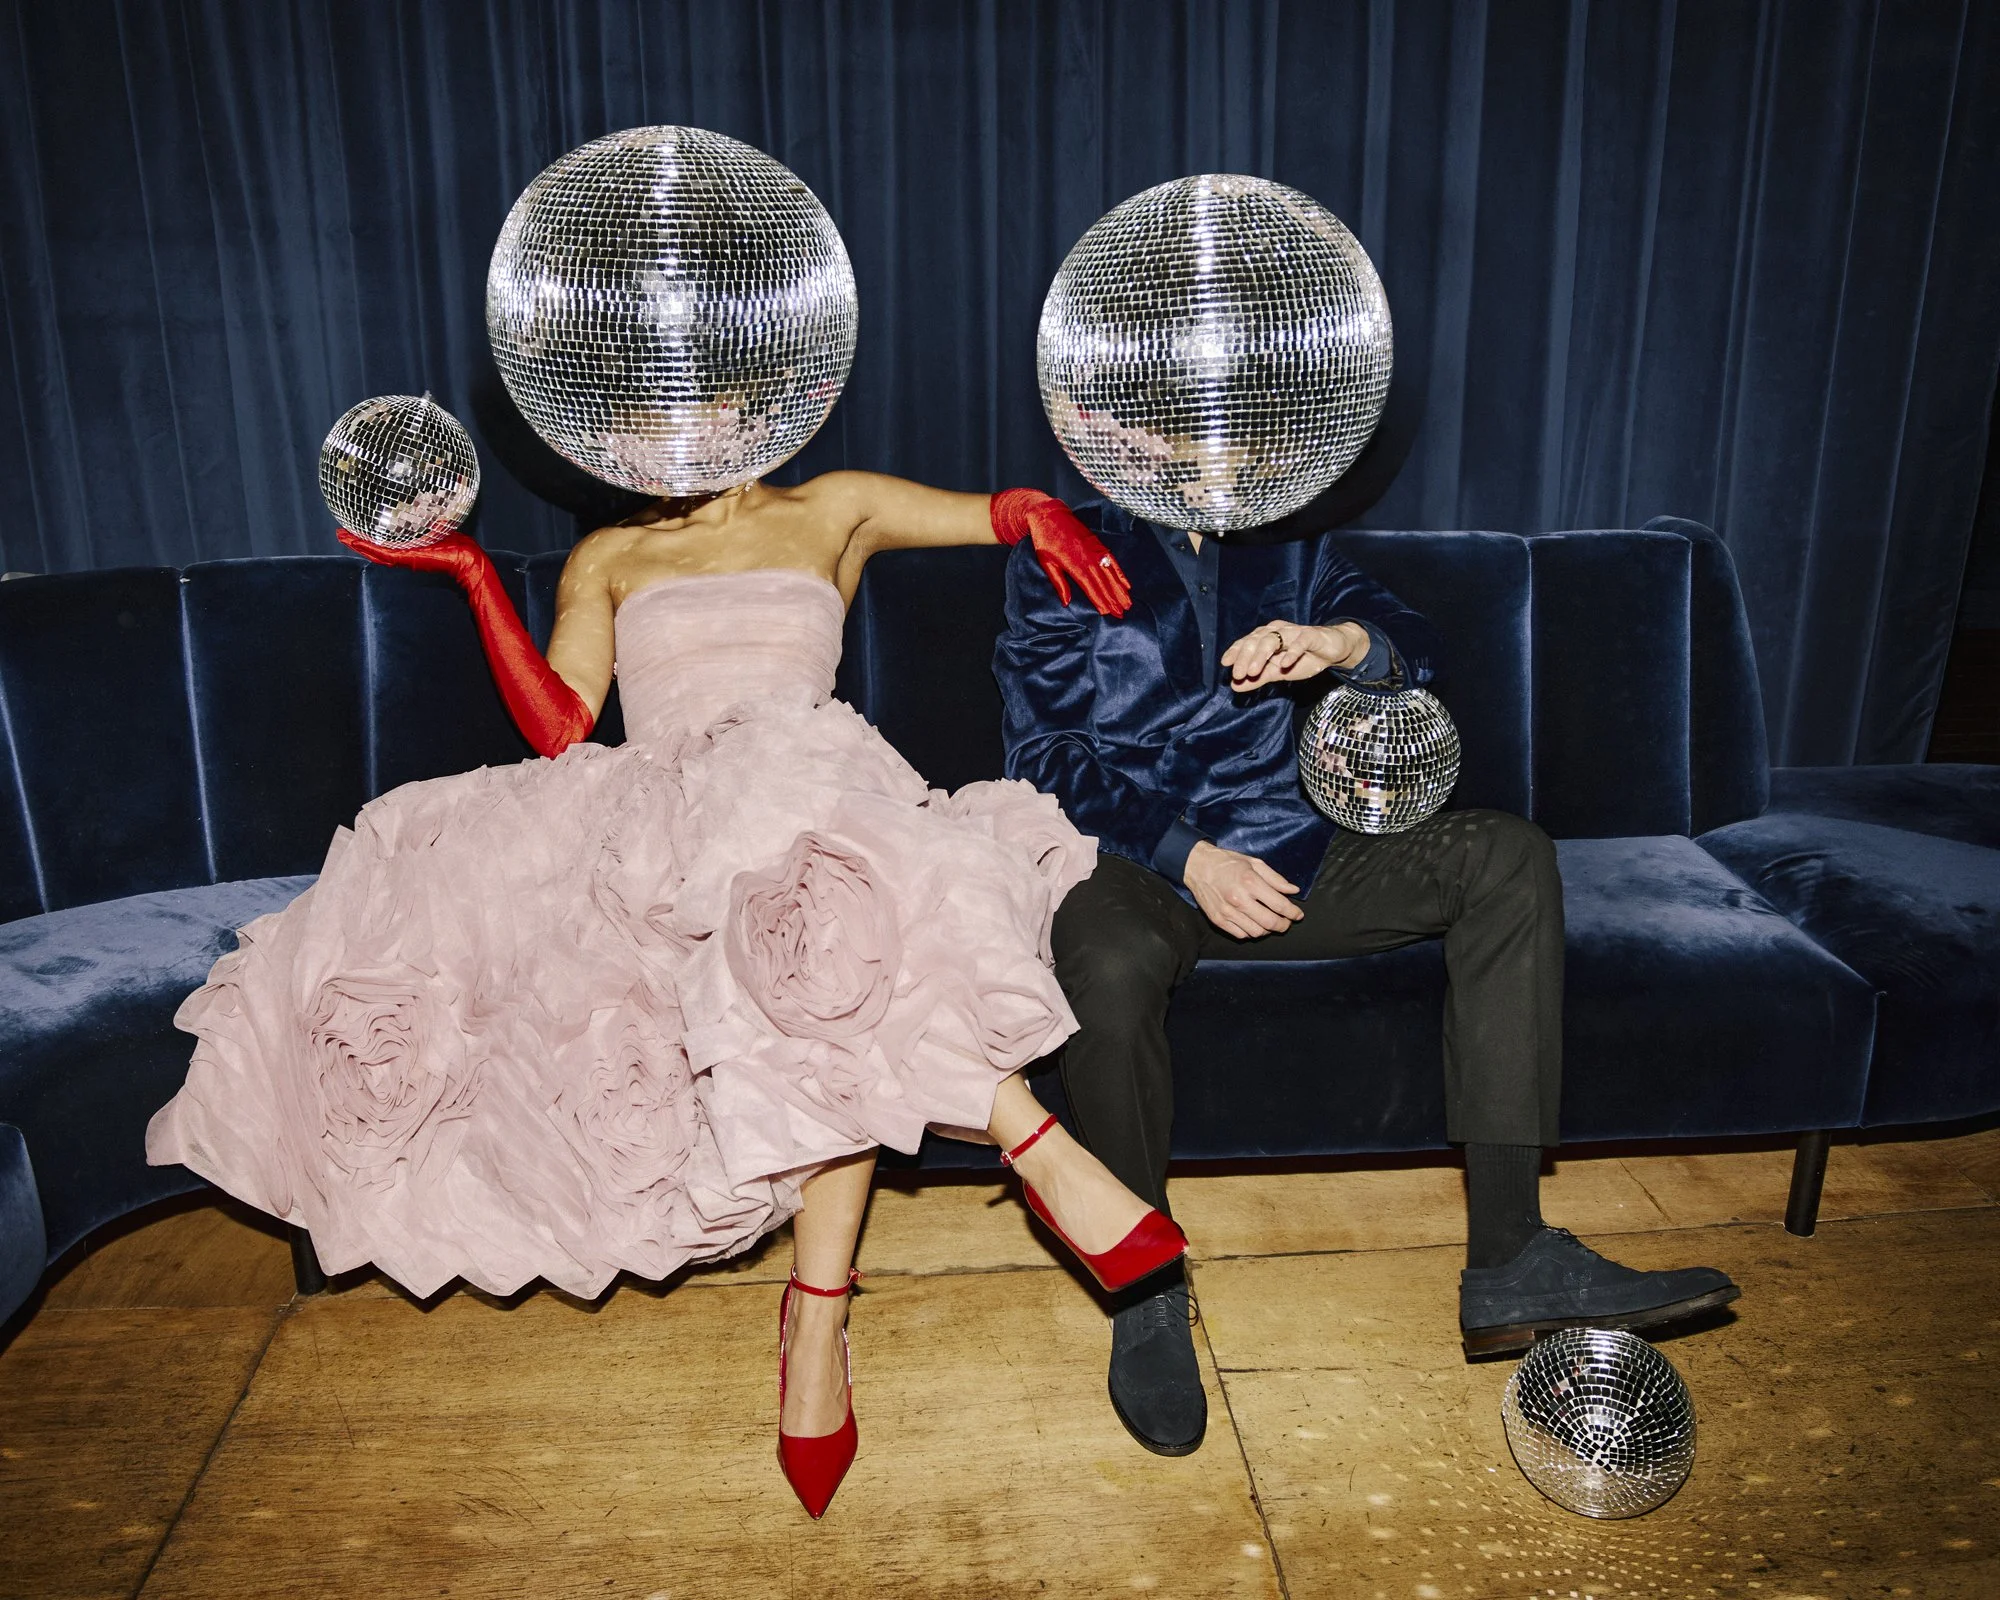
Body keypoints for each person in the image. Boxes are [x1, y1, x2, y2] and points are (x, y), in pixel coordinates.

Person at [148, 476, 1187, 1520]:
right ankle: (1027, 1143)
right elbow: (561, 725)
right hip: (672, 824)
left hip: (817, 789)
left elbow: (994, 513)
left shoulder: (832, 505)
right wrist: (473, 575)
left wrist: (1039, 513)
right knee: (803, 900)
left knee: (826, 901)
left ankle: (817, 1316)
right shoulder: (606, 555)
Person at [994, 500, 1741, 1458]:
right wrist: (1190, 857)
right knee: (1104, 959)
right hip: (1135, 865)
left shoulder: (1287, 539)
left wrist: (1339, 643)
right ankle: (1145, 1285)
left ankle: (1512, 1253)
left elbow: (1419, 646)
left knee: (1507, 854)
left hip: (1291, 855)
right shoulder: (1065, 551)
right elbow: (1043, 754)